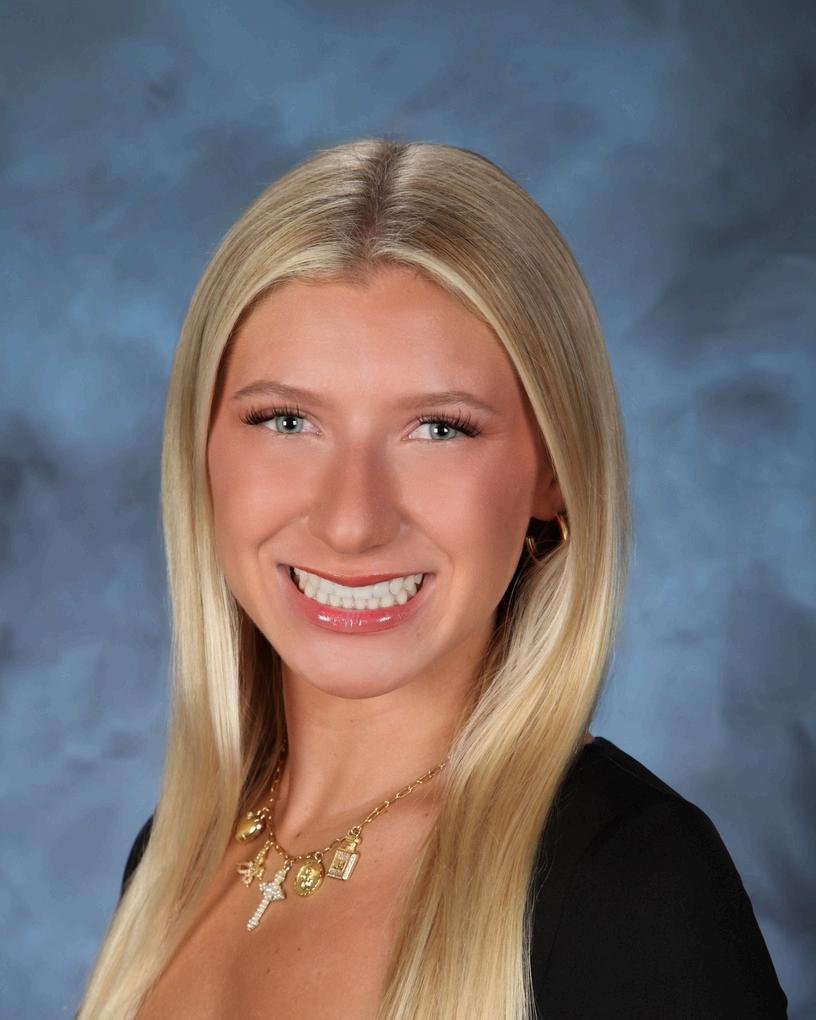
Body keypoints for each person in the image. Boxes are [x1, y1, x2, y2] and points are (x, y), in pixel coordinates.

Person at [77, 138, 788, 1019]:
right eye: (287, 419)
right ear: (202, 448)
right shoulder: (172, 859)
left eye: (440, 429)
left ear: (553, 474)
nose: (352, 519)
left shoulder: (630, 885)